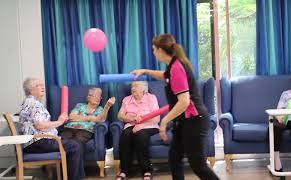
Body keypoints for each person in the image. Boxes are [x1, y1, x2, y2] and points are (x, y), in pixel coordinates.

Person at [131, 34, 220, 180]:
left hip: (194, 120)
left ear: (160, 50)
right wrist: (145, 71)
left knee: (197, 164)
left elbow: (184, 102)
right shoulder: (172, 66)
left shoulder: (177, 68)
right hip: (184, 121)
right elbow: (164, 76)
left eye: (154, 49)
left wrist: (165, 121)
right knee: (174, 158)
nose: (153, 52)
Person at [19, 78, 83, 180]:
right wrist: (59, 122)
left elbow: (39, 124)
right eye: (38, 85)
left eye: (42, 84)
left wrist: (58, 121)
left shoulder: (30, 102)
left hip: (37, 141)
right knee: (74, 146)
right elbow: (40, 125)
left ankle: (68, 177)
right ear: (31, 90)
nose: (42, 86)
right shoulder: (33, 103)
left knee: (74, 144)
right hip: (38, 142)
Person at [116, 81, 160, 180]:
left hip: (149, 125)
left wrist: (143, 125)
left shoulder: (151, 98)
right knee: (125, 135)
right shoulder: (127, 99)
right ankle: (125, 171)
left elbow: (156, 118)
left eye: (136, 86)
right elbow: (120, 116)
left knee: (141, 135)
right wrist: (132, 119)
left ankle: (147, 170)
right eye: (132, 86)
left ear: (144, 89)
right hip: (131, 124)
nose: (132, 88)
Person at [60, 87, 115, 152]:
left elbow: (101, 119)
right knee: (64, 138)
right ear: (88, 97)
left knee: (77, 140)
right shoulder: (80, 105)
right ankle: (63, 160)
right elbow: (71, 117)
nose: (98, 98)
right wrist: (90, 118)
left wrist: (107, 106)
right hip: (70, 128)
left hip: (85, 130)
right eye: (95, 96)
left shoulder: (100, 109)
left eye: (99, 96)